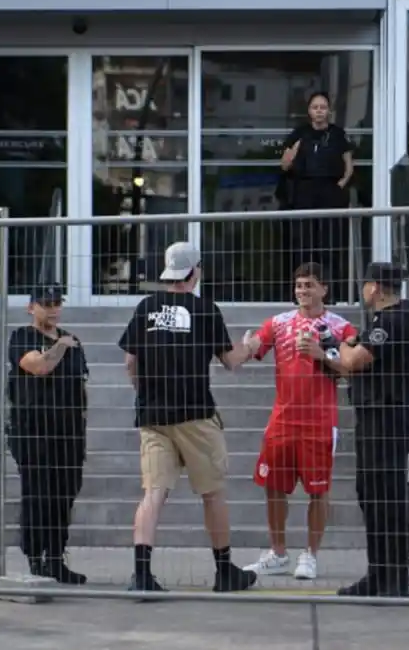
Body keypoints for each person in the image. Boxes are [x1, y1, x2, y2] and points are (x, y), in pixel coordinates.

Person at [118, 241, 259, 593]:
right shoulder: (205, 310)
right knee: (212, 493)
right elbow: (230, 361)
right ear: (194, 272)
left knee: (153, 494)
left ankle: (142, 575)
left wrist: (144, 393)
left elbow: (130, 362)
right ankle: (225, 571)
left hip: (153, 416)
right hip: (195, 414)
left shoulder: (146, 307)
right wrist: (250, 347)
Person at [242, 262, 357, 581]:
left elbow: (353, 368)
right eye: (299, 285)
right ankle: (278, 553)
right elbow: (254, 347)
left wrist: (322, 354)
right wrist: (245, 346)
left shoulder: (342, 327)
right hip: (282, 420)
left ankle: (311, 555)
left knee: (318, 491)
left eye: (309, 285)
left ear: (324, 289)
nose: (302, 290)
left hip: (319, 422)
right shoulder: (278, 323)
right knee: (273, 486)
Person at [324, 262, 409, 597]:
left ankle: (394, 577)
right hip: (375, 416)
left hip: (386, 419)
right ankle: (378, 573)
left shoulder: (391, 321)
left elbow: (353, 361)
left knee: (386, 497)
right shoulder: (386, 321)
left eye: (366, 284)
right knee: (372, 495)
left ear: (376, 287)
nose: (363, 290)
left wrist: (343, 342)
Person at [7, 284, 89, 585]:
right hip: (33, 430)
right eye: (46, 303)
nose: (53, 309)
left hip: (68, 431)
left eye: (57, 303)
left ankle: (56, 558)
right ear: (31, 307)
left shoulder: (73, 339)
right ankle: (35, 557)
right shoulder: (23, 337)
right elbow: (39, 366)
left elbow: (82, 382)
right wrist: (61, 346)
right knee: (38, 493)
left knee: (64, 494)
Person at [279, 92, 355, 302]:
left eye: (323, 107)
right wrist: (294, 151)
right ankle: (300, 293)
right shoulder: (300, 134)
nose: (319, 111)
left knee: (329, 245)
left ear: (329, 110)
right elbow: (284, 165)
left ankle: (330, 294)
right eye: (315, 107)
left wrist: (340, 185)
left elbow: (349, 166)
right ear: (309, 111)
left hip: (330, 192)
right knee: (303, 244)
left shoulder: (338, 134)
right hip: (304, 193)